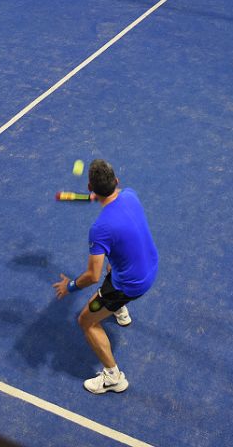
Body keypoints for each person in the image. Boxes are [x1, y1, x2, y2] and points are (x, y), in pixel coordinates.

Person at [53, 159, 158, 394]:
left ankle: (113, 377)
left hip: (131, 284)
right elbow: (114, 197)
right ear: (116, 181)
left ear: (90, 188)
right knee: (113, 264)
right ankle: (119, 310)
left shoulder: (100, 229)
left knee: (85, 320)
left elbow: (92, 276)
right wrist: (99, 196)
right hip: (150, 264)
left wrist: (69, 286)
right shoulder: (130, 195)